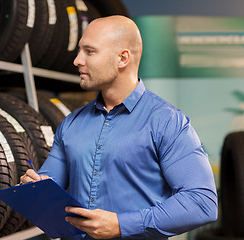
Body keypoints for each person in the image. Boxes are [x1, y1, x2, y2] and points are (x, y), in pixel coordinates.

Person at [20, 15, 217, 240]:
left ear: (122, 58)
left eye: (89, 51)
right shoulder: (71, 123)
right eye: (79, 51)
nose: (77, 60)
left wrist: (121, 225)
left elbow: (202, 203)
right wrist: (35, 187)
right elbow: (49, 183)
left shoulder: (166, 121)